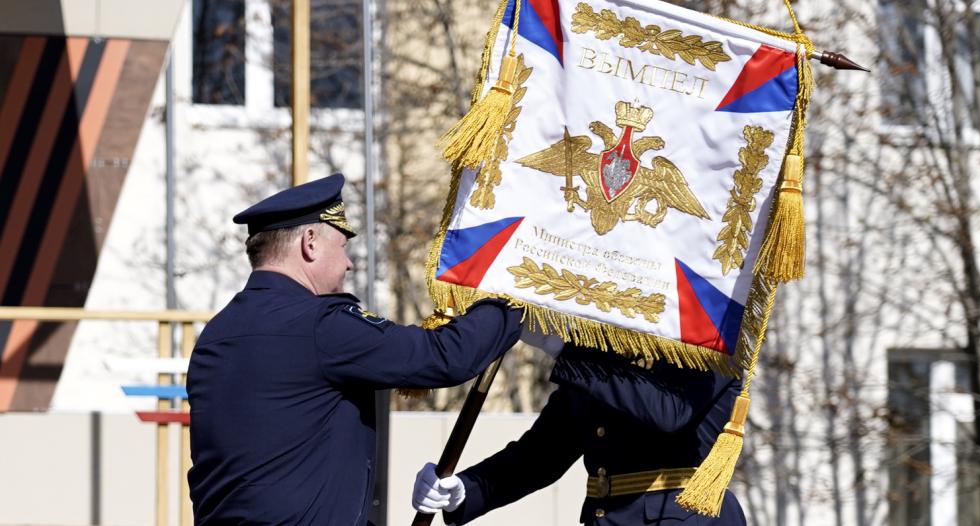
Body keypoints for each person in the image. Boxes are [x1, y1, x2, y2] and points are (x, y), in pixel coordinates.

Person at [187, 174, 523, 525]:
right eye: (343, 246)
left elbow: (279, 477)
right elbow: (446, 356)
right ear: (310, 242)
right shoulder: (320, 324)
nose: (348, 263)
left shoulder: (216, 334)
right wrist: (514, 293)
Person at [412, 343, 747, 525]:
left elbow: (670, 411)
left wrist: (570, 355)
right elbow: (540, 455)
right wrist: (464, 490)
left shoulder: (709, 342)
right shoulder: (602, 356)